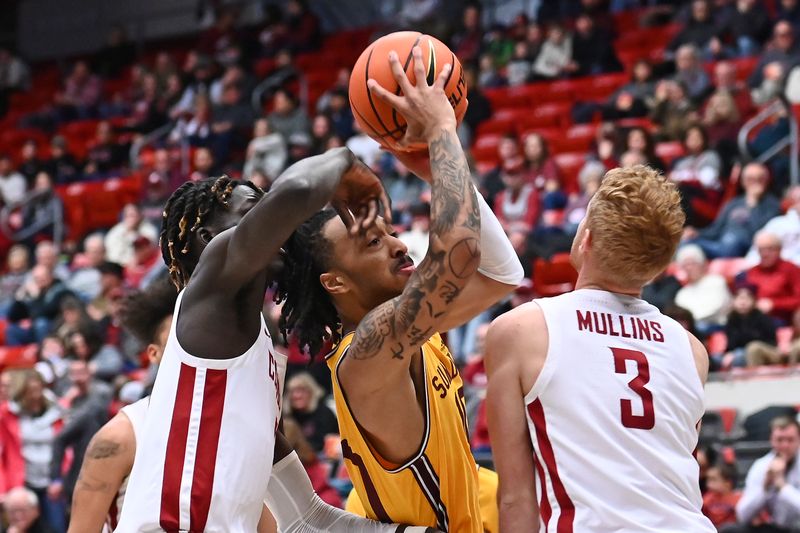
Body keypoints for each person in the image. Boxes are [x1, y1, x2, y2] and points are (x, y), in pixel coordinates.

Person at [114, 142, 425, 533]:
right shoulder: (210, 294)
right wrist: (348, 164)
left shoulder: (253, 352)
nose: (280, 227)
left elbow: (306, 517)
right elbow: (296, 191)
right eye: (254, 213)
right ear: (206, 237)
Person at [277, 47, 523, 532]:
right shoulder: (367, 356)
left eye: (389, 231)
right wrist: (440, 133)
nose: (395, 244)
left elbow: (500, 273)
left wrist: (432, 168)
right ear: (335, 282)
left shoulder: (411, 335)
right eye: (372, 241)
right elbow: (460, 254)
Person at [484, 165, 715, 532]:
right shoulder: (691, 350)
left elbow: (516, 498)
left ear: (585, 238)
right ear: (658, 267)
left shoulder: (522, 330)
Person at [733, 417, 800, 531]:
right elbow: (742, 514)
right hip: (774, 528)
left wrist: (782, 486)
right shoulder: (761, 466)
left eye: (790, 440)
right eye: (780, 440)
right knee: (731, 530)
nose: (785, 445)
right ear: (772, 440)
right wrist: (765, 487)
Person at [739, 231, 800, 324]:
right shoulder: (750, 272)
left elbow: (798, 299)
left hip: (781, 318)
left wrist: (774, 304)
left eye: (770, 249)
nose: (765, 254)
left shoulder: (791, 269)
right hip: (751, 318)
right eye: (761, 250)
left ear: (779, 250)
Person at [674, 244, 732, 335]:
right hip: (692, 329)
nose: (689, 268)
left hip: (715, 326)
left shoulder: (716, 281)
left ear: (702, 264)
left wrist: (692, 320)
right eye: (685, 265)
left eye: (692, 263)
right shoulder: (682, 293)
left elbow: (716, 308)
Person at [286, 373, 338, 454]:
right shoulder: (288, 417)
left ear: (312, 392)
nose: (296, 396)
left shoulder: (324, 413)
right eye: (292, 391)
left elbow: (326, 445)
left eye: (301, 390)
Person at [702, 463, 741, 530]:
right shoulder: (706, 499)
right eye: (707, 480)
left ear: (727, 483)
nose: (708, 484)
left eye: (713, 479)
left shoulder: (739, 499)